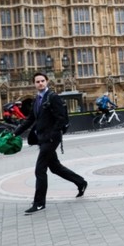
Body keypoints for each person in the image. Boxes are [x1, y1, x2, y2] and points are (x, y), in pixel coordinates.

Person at [14, 72, 87, 214]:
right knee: (55, 167)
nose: (40, 83)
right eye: (37, 81)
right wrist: (14, 133)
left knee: (40, 169)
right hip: (42, 139)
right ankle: (81, 182)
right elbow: (30, 120)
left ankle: (39, 203)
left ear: (47, 82)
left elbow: (62, 118)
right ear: (34, 84)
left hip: (51, 139)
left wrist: (54, 134)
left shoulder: (53, 97)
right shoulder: (36, 100)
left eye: (42, 81)